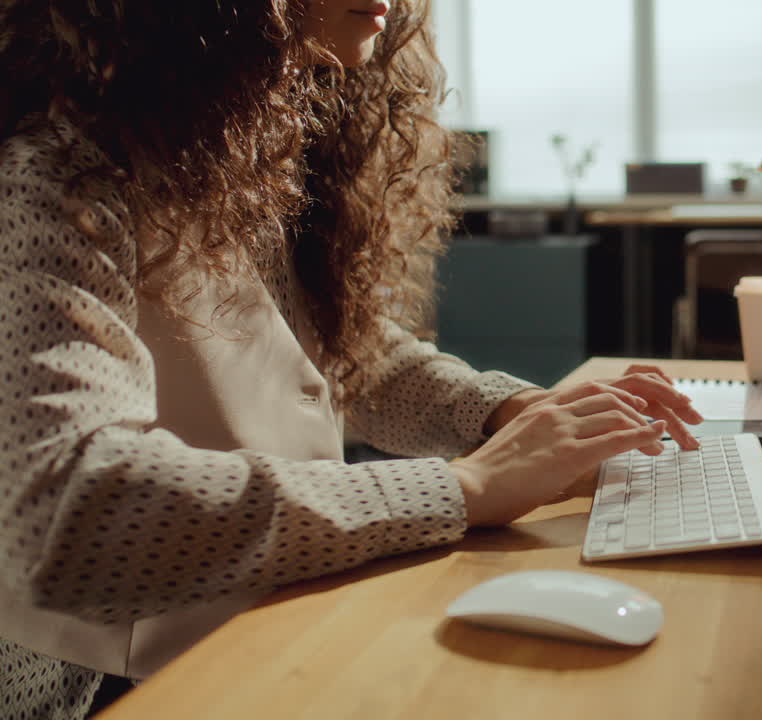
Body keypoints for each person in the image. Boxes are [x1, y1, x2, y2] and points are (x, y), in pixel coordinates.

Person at [0, 1, 702, 717]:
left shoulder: (229, 145)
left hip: (256, 634)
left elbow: (356, 364)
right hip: (91, 690)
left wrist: (507, 414)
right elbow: (65, 513)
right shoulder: (48, 178)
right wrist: (461, 488)